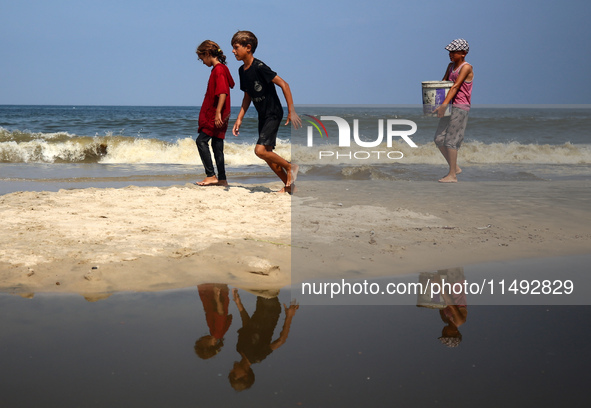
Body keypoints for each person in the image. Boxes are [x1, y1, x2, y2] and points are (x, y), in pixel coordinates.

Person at [230, 30, 302, 193]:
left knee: (260, 151)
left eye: (236, 47)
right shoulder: (242, 71)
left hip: (273, 112)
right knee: (267, 155)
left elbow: (284, 84)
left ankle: (291, 167)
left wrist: (291, 110)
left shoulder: (260, 67)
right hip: (263, 114)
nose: (233, 51)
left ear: (248, 47)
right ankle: (289, 187)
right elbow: (247, 96)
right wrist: (239, 118)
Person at [228, 289, 299, 391]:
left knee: (260, 282)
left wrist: (239, 304)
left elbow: (246, 325)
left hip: (260, 307)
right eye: (234, 375)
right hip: (271, 311)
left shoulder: (239, 349)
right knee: (263, 283)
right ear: (245, 376)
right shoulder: (257, 357)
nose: (231, 371)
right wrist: (289, 316)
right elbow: (280, 341)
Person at [195, 40, 235, 186]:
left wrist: (218, 113)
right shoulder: (222, 69)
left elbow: (223, 91)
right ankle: (222, 179)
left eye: (202, 58)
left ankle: (211, 175)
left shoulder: (218, 70)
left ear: (207, 54)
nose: (202, 62)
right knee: (217, 144)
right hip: (221, 114)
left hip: (215, 115)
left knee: (201, 141)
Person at [433, 38, 474, 183]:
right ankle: (454, 167)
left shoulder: (466, 67)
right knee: (438, 138)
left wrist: (444, 104)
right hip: (448, 105)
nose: (450, 54)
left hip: (460, 106)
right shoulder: (450, 66)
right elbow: (443, 84)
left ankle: (452, 175)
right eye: (449, 51)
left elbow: (455, 86)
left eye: (453, 51)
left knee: (451, 141)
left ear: (463, 53)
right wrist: (435, 103)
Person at [194, 283, 233, 359]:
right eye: (201, 341)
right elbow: (220, 314)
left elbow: (229, 318)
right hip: (213, 292)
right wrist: (216, 296)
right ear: (206, 345)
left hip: (214, 294)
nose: (201, 338)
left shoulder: (217, 333)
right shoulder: (217, 333)